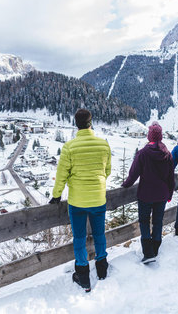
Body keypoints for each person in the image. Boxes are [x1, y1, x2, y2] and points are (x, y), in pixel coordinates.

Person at [49, 109, 111, 292]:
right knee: (99, 234)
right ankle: (102, 269)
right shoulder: (103, 144)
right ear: (91, 122)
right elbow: (107, 171)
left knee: (79, 237)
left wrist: (56, 195)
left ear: (76, 124)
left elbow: (61, 175)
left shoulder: (70, 147)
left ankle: (83, 275)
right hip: (98, 199)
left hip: (77, 201)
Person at [122, 121, 174, 264]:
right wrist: (169, 194)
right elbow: (171, 177)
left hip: (146, 194)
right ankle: (156, 247)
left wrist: (125, 184)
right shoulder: (167, 154)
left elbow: (133, 175)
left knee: (144, 221)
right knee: (158, 221)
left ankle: (148, 251)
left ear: (149, 136)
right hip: (162, 195)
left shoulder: (143, 153)